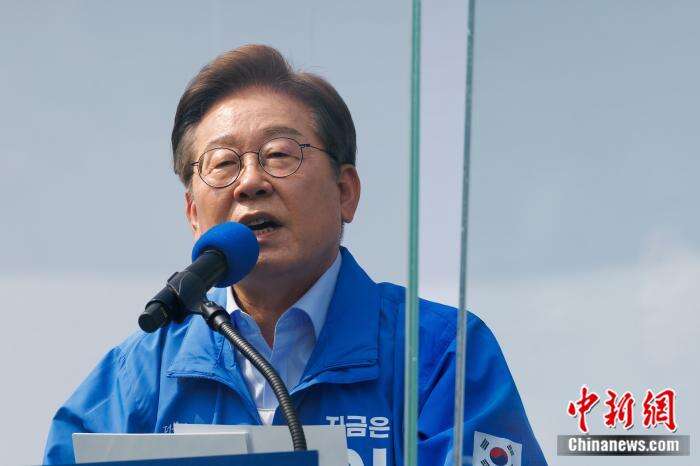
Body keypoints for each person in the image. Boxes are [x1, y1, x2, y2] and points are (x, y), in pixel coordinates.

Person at [43, 44, 546, 466]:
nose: (251, 183)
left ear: (345, 192)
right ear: (194, 212)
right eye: (223, 164)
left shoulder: (439, 355)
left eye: (279, 155)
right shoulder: (142, 374)